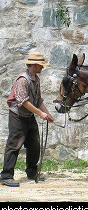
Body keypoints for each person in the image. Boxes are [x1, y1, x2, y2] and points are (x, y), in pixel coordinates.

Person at [0, 51, 54, 187]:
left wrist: (47, 114)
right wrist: (41, 114)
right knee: (14, 145)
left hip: (29, 116)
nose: (43, 67)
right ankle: (6, 175)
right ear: (34, 65)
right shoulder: (23, 80)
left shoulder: (36, 79)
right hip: (17, 116)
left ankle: (31, 171)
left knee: (34, 144)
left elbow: (38, 100)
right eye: (41, 65)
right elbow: (23, 102)